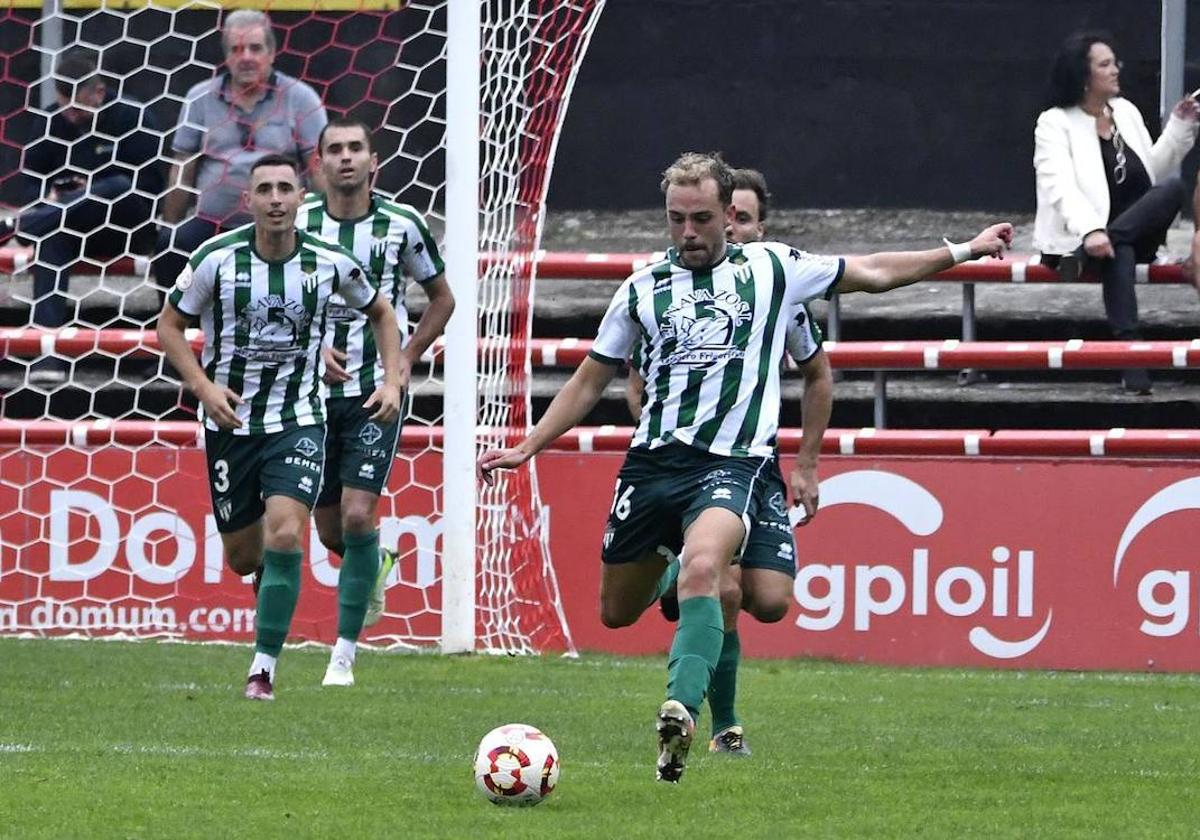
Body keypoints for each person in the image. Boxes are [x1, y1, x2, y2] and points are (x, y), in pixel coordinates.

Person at [478, 151, 1012, 782]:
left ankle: (683, 713)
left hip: (734, 464)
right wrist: (530, 443)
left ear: (728, 215)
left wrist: (963, 249)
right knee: (616, 613)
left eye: (701, 218)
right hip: (651, 467)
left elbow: (872, 271)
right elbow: (590, 379)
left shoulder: (773, 268)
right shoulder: (641, 289)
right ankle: (675, 580)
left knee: (713, 571)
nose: (688, 233)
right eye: (676, 220)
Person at [156, 153, 403, 701]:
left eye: (284, 188)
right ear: (248, 199)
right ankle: (270, 600)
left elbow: (382, 312)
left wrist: (391, 380)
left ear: (300, 199)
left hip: (299, 419)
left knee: (288, 531)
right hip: (231, 422)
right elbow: (169, 325)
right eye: (263, 188)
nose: (274, 198)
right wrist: (204, 387)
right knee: (245, 556)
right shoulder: (216, 259)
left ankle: (262, 668)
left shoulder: (329, 262)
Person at [625, 167, 832, 758]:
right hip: (692, 461)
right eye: (727, 216)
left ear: (757, 227)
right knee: (723, 584)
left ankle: (673, 572)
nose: (731, 228)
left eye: (741, 219)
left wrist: (808, 464)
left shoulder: (777, 295)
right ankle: (724, 726)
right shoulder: (666, 294)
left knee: (770, 600)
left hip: (758, 460)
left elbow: (816, 374)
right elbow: (638, 377)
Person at [298, 117, 455, 685]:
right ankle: (376, 563)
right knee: (333, 531)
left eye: (355, 149)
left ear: (373, 163)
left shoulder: (401, 224)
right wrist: (312, 347)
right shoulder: (299, 224)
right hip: (308, 397)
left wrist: (404, 361)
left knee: (361, 512)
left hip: (375, 393)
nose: (345, 158)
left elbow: (441, 299)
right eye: (334, 149)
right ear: (318, 165)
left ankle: (343, 655)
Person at [1033, 30, 1198, 394]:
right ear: (1083, 75)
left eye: (1114, 62)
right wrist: (1091, 231)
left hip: (1128, 232)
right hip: (1083, 236)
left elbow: (1150, 171)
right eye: (1105, 64)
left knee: (1170, 189)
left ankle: (1111, 240)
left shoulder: (1124, 112)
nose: (1115, 70)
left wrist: (1180, 127)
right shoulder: (1054, 123)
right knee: (1116, 249)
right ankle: (1131, 355)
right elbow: (1060, 185)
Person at [7, 49, 163, 384]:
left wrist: (90, 189)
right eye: (65, 106)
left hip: (126, 226)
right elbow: (29, 183)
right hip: (71, 226)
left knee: (117, 186)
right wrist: (51, 196)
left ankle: (16, 227)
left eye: (77, 107)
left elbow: (151, 188)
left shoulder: (132, 116)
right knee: (51, 239)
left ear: (98, 92)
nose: (70, 115)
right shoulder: (52, 121)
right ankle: (47, 352)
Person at [154, 10, 327, 293]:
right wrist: (170, 225)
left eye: (255, 48)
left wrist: (327, 223)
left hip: (282, 226)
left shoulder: (300, 97)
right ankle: (180, 333)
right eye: (236, 49)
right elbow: (182, 168)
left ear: (272, 53)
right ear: (226, 56)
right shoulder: (200, 97)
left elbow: (318, 168)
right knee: (172, 246)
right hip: (213, 224)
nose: (246, 56)